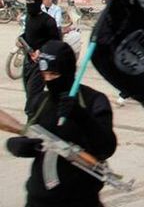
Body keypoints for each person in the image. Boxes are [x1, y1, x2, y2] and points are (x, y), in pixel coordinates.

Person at [6, 40, 117, 207]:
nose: (49, 80)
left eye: (54, 75)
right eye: (45, 75)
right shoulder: (41, 101)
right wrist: (19, 145)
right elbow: (32, 133)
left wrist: (81, 116)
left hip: (81, 199)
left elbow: (106, 147)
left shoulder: (93, 100)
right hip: (39, 198)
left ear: (68, 71)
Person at [21, 0, 60, 118]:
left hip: (41, 65)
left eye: (31, 4)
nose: (29, 7)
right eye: (27, 4)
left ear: (39, 3)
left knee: (33, 97)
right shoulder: (28, 18)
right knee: (29, 94)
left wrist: (41, 51)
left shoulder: (49, 21)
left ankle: (31, 123)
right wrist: (20, 40)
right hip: (27, 63)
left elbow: (56, 44)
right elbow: (27, 35)